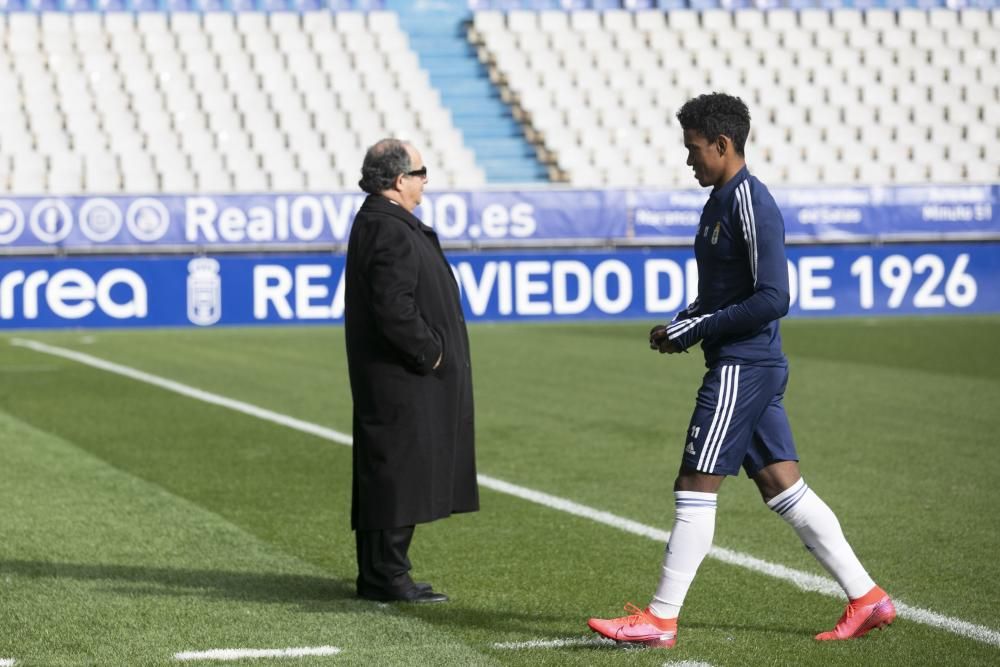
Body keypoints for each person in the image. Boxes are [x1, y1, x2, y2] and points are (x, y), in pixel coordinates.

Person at [587, 93, 895, 647]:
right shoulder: (720, 201)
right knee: (784, 488)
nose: (689, 161)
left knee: (694, 486)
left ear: (723, 145)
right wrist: (684, 321)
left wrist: (698, 329)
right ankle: (868, 598)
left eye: (694, 149)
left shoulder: (750, 201)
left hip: (742, 367)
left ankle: (658, 620)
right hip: (747, 364)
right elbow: (723, 292)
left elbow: (775, 296)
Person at [344, 138, 478, 603]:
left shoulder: (384, 222)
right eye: (421, 173)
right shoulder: (388, 227)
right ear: (400, 180)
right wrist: (431, 353)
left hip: (399, 377)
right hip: (402, 377)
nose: (425, 181)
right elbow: (394, 308)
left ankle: (383, 572)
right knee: (398, 474)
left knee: (395, 471)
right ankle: (386, 576)